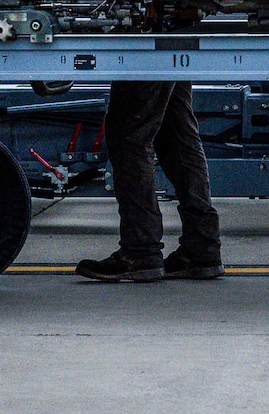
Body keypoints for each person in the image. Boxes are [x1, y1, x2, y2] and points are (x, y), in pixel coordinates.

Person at [73, 79, 224, 282]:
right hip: (171, 49)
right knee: (175, 131)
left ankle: (139, 251)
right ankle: (202, 247)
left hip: (145, 51)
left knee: (129, 134)